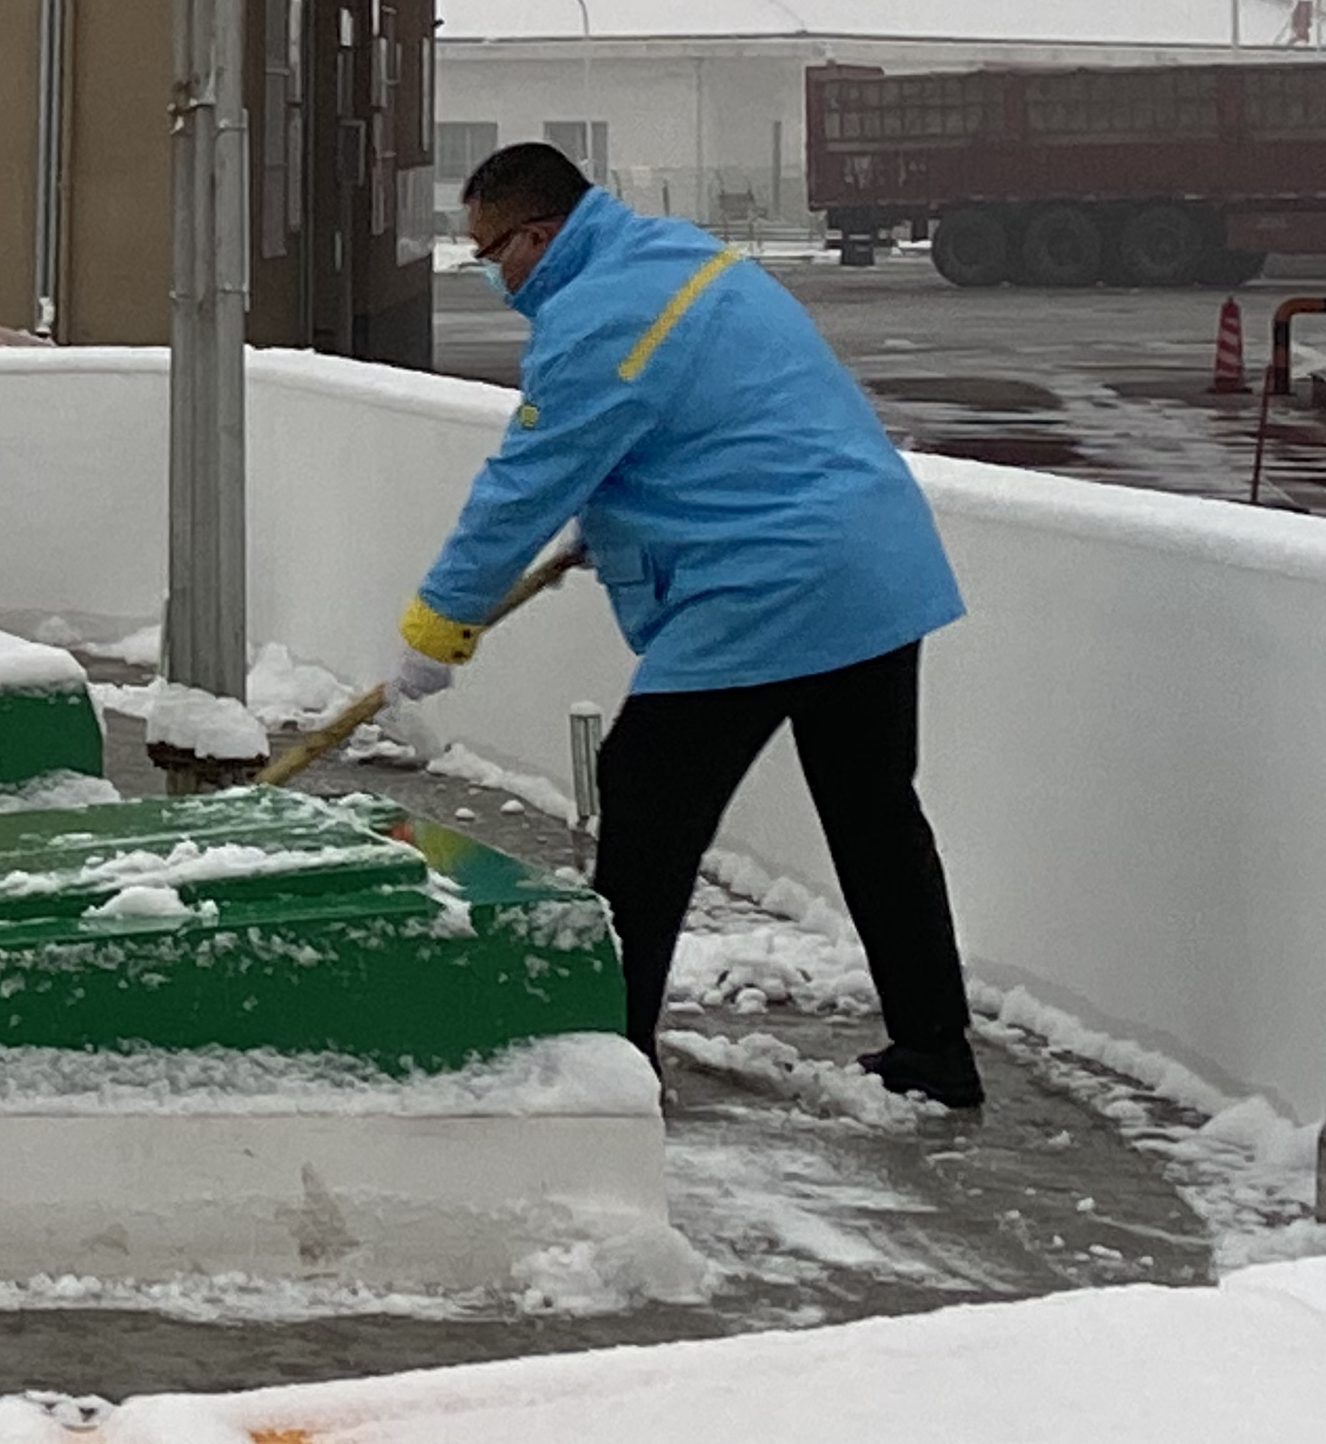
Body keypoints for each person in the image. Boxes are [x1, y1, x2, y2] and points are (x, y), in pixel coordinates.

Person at [387, 142, 983, 1106]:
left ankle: (612, 1057)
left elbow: (523, 485)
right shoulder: (670, 257)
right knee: (874, 816)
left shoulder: (598, 314)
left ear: (539, 235)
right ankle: (936, 1054)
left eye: (492, 253)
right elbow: (709, 424)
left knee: (648, 798)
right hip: (871, 565)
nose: (493, 276)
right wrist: (619, 517)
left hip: (768, 582)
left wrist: (437, 626)